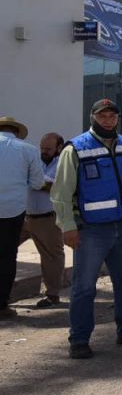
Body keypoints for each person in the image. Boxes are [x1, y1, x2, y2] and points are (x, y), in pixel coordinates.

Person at [51, 100, 122, 358]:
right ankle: (79, 340)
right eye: (103, 116)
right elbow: (61, 192)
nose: (108, 120)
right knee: (84, 287)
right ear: (93, 117)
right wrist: (67, 226)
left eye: (112, 116)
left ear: (117, 118)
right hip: (89, 230)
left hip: (121, 226)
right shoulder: (76, 148)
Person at [0, 116, 45, 319]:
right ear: (16, 132)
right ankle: (2, 305)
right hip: (12, 210)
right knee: (7, 257)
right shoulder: (27, 149)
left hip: (13, 209)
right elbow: (37, 183)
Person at [20, 132, 63, 309]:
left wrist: (37, 181)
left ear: (58, 148)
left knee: (51, 257)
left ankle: (52, 295)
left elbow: (56, 187)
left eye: (48, 149)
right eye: (42, 148)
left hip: (48, 218)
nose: (44, 152)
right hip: (24, 216)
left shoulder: (62, 163)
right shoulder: (34, 161)